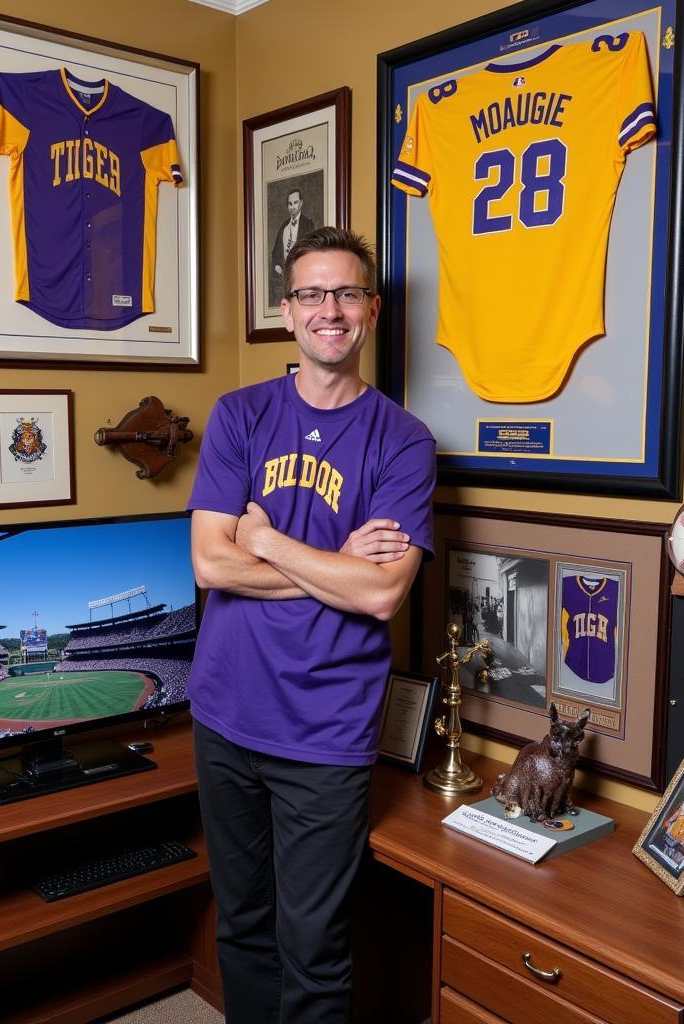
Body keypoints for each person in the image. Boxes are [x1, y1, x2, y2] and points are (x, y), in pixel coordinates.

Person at [187, 226, 436, 1023]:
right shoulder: (240, 415)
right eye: (310, 294)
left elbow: (380, 597)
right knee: (245, 925)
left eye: (345, 293)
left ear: (371, 308)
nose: (329, 309)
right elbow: (209, 566)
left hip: (325, 731)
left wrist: (263, 538)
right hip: (225, 713)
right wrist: (333, 566)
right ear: (287, 313)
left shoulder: (403, 440)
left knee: (314, 943)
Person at [269, 188, 316, 306]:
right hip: (284, 280)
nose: (292, 207)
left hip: (304, 279)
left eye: (295, 203)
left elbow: (313, 252)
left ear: (301, 203)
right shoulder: (283, 226)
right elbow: (275, 253)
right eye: (290, 204)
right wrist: (276, 266)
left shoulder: (309, 224)